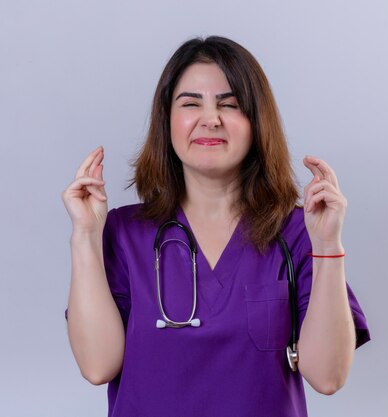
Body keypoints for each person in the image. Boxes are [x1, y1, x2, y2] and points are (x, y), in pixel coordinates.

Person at [61, 36, 370, 417]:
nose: (211, 118)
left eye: (231, 105)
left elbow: (328, 377)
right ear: (167, 120)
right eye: (191, 103)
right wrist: (85, 237)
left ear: (257, 123)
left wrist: (327, 243)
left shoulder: (297, 233)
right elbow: (97, 366)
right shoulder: (124, 233)